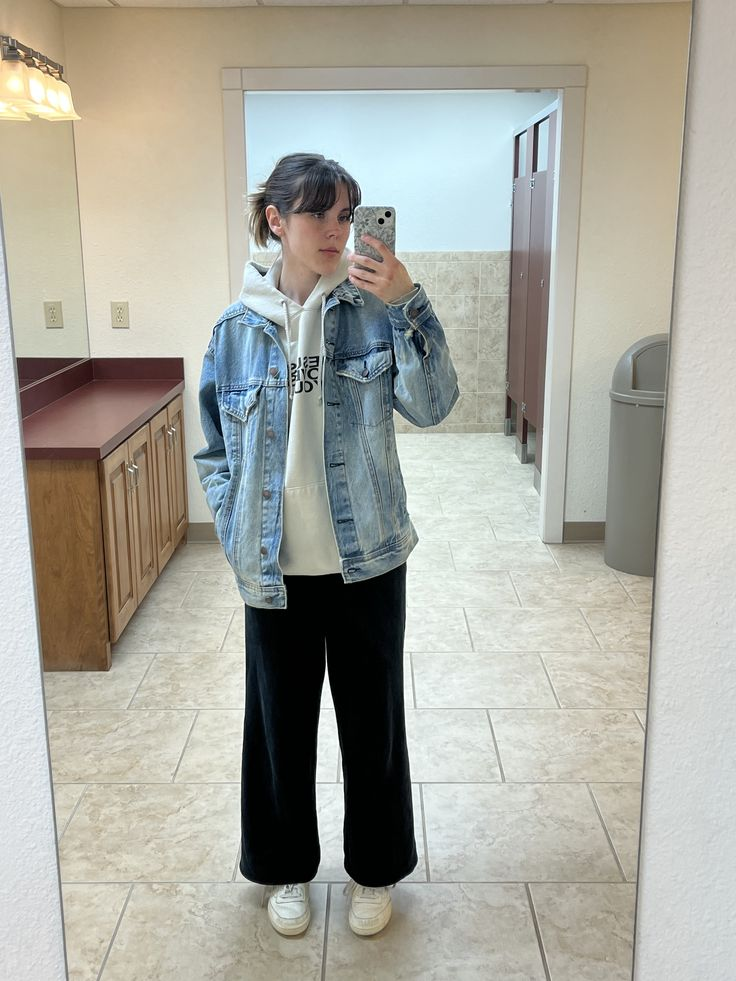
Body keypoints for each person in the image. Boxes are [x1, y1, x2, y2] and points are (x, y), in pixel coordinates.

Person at [193, 153, 459, 938]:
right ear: (277, 220)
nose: (338, 230)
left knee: (373, 725)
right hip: (274, 569)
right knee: (279, 727)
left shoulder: (374, 311)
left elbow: (435, 403)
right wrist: (235, 525)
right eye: (319, 214)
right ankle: (285, 868)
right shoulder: (236, 330)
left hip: (366, 559)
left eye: (347, 214)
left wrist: (407, 300)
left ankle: (375, 869)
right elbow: (215, 448)